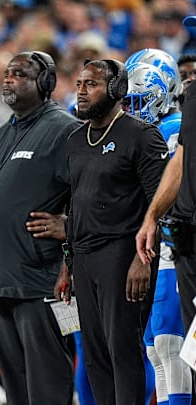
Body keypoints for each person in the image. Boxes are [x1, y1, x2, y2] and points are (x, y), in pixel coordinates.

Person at [0, 51, 78, 405]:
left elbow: (88, 192)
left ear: (44, 83)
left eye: (20, 74)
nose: (8, 78)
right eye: (7, 73)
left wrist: (70, 230)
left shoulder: (65, 129)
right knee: (16, 386)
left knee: (47, 383)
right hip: (0, 278)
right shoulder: (0, 136)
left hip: (38, 278)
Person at [59, 59, 167, 405]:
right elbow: (74, 205)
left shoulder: (140, 135)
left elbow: (159, 208)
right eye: (78, 84)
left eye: (91, 84)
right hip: (85, 257)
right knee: (95, 353)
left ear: (118, 90)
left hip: (123, 254)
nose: (81, 91)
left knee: (122, 347)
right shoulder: (76, 140)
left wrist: (142, 260)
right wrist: (68, 263)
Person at [124, 60, 192, 405]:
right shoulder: (141, 132)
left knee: (169, 342)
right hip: (152, 245)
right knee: (154, 348)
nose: (131, 110)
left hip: (172, 242)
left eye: (138, 100)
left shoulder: (175, 127)